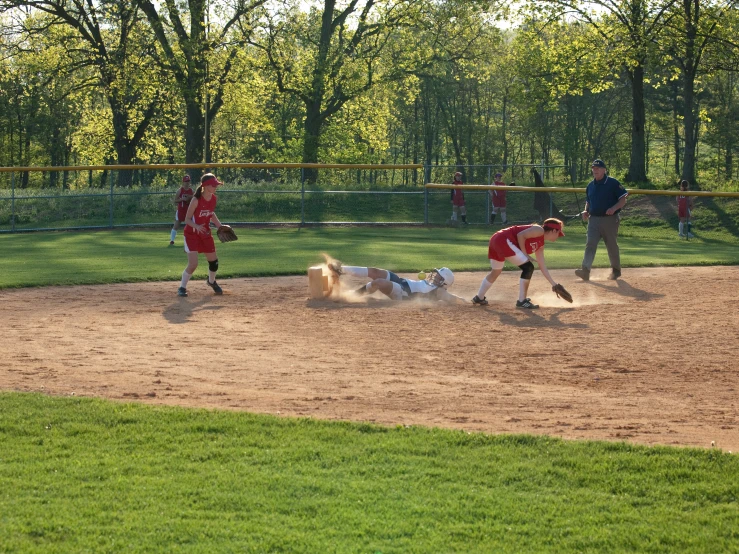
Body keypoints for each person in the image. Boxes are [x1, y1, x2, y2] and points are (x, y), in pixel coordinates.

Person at [472, 218, 567, 309]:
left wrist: (553, 284)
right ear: (554, 230)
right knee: (528, 267)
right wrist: (525, 254)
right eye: (558, 233)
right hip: (503, 239)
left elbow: (542, 265)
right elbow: (521, 235)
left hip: (497, 240)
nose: (558, 237)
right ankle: (522, 301)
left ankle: (479, 297)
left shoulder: (540, 245)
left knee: (495, 271)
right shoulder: (539, 230)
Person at [574, 159, 628, 282]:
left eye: (598, 168)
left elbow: (623, 199)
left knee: (611, 245)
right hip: (593, 220)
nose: (595, 170)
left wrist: (613, 208)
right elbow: (588, 202)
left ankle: (616, 270)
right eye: (593, 168)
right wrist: (585, 211)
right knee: (590, 244)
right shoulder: (590, 185)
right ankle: (585, 271)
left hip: (610, 219)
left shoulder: (612, 183)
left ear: (604, 170)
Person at [177, 173, 226, 297]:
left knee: (214, 262)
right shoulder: (196, 200)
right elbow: (187, 219)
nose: (216, 187)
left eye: (216, 185)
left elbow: (211, 214)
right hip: (191, 234)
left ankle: (211, 281)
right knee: (193, 264)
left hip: (205, 233)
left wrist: (220, 226)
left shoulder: (214, 198)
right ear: (205, 186)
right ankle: (182, 287)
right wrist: (197, 226)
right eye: (213, 185)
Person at [328, 263, 467, 303]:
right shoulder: (433, 285)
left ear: (444, 283)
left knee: (379, 282)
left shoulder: (440, 291)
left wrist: (469, 302)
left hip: (404, 294)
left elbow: (455, 300)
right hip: (402, 282)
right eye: (437, 274)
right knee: (377, 272)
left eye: (439, 277)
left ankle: (352, 296)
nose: (435, 276)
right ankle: (341, 269)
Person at [170, 174, 194, 246]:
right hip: (181, 210)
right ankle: (172, 240)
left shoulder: (191, 191)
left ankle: (190, 240)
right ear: (183, 182)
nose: (187, 183)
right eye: (186, 181)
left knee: (190, 226)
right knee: (176, 225)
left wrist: (190, 197)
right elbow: (175, 201)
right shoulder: (180, 191)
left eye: (188, 181)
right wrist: (182, 199)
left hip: (188, 210)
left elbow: (194, 199)